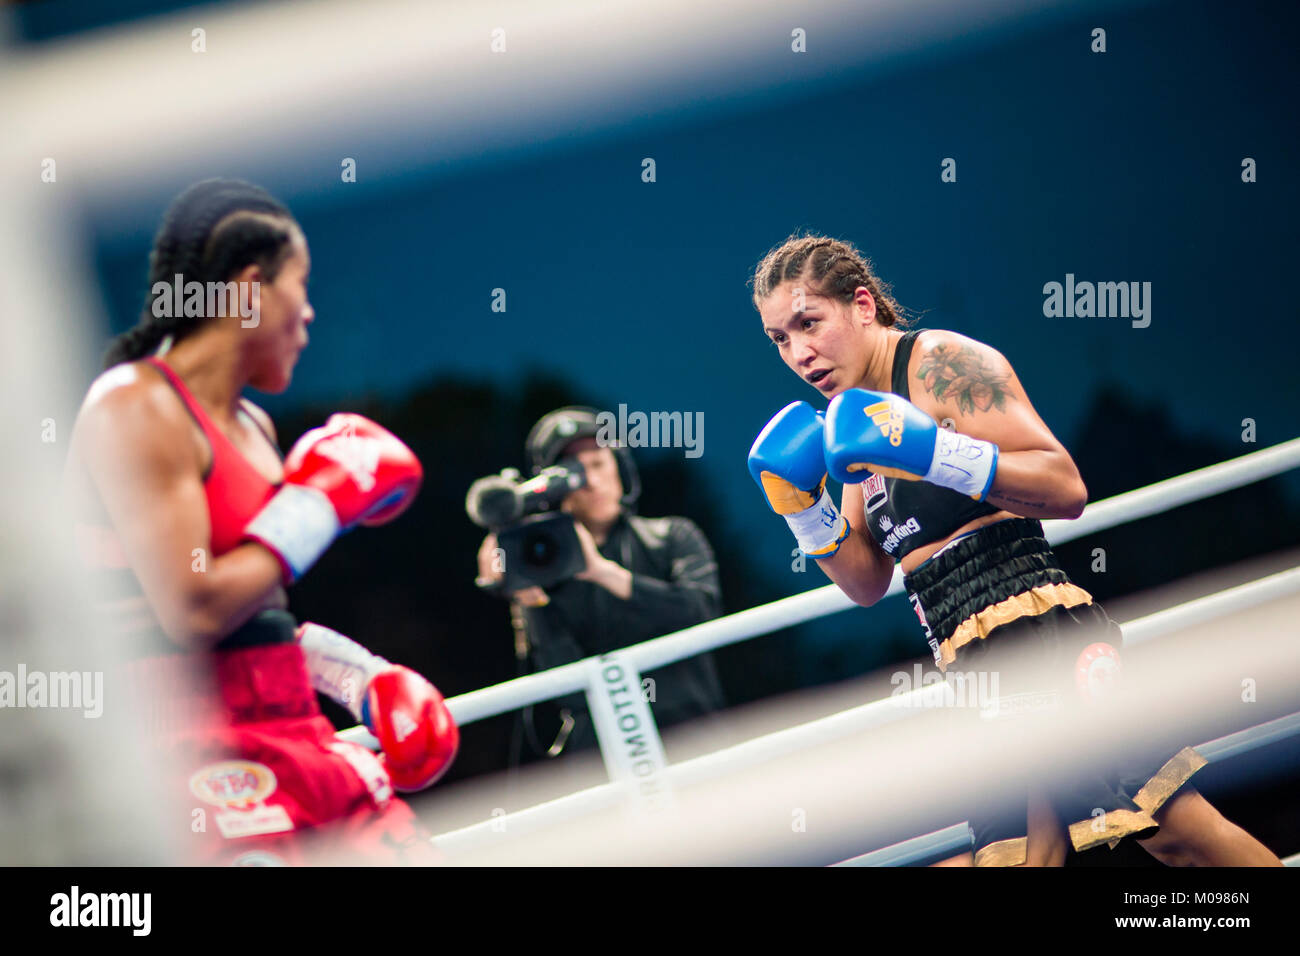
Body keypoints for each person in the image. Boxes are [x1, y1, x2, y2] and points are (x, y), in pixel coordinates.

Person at [746, 233, 1281, 867]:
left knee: (1176, 831)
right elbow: (866, 583)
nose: (800, 352)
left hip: (1038, 628)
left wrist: (935, 453)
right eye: (780, 338)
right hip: (965, 657)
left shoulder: (937, 364)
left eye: (809, 323)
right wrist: (805, 511)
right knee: (1024, 857)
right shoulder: (849, 426)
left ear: (862, 305)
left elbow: (1064, 486)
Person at [64, 178, 458, 865]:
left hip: (294, 730)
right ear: (250, 288)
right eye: (300, 288)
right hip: (189, 752)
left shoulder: (252, 427)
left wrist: (361, 678)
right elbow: (191, 609)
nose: (309, 316)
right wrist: (323, 504)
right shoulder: (133, 407)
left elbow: (260, 619)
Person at [476, 407, 726, 760]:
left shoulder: (672, 535)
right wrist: (528, 598)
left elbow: (701, 614)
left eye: (597, 465)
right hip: (601, 759)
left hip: (694, 740)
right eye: (574, 473)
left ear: (620, 469)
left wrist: (601, 571)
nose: (590, 482)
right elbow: (568, 692)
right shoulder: (541, 569)